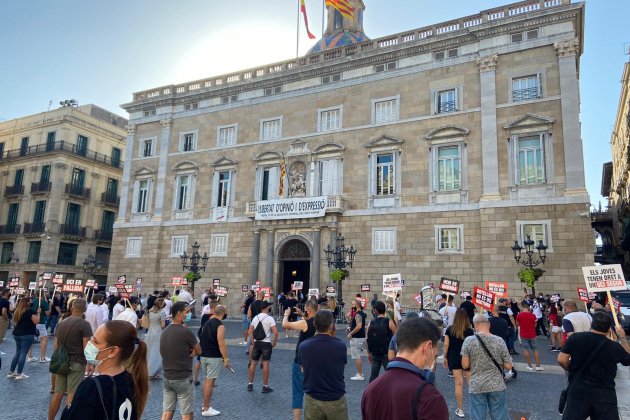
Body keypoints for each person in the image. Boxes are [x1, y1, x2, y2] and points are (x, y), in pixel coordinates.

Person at [361, 317, 448, 420]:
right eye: (434, 356)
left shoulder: (370, 390)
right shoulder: (430, 397)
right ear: (427, 347)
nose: (433, 360)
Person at [60, 320, 149, 420]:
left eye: (96, 341)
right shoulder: (132, 381)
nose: (90, 343)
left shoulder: (91, 388)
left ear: (113, 351)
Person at [558, 311, 630, 419]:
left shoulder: (575, 338)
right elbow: (628, 360)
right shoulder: (614, 346)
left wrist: (572, 369)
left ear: (592, 324)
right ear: (609, 328)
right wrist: (623, 337)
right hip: (604, 394)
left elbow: (561, 359)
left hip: (579, 391)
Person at [297, 309, 348, 420]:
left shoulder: (304, 346)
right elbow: (341, 367)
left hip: (312, 400)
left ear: (315, 324)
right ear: (331, 325)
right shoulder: (341, 346)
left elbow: (302, 369)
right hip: (335, 398)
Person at [48, 298, 93, 420]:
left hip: (62, 363)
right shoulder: (85, 324)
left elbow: (56, 346)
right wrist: (90, 363)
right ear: (84, 309)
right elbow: (86, 347)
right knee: (72, 395)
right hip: (77, 362)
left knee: (57, 394)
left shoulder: (61, 323)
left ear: (72, 308)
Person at [461, 314, 513, 420]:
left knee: (478, 417)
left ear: (475, 325)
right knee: (500, 416)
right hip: (496, 384)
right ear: (489, 325)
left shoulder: (469, 341)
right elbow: (509, 366)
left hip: (477, 384)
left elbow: (465, 365)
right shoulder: (499, 340)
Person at [160, 301, 201, 420]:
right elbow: (199, 350)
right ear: (179, 313)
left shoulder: (165, 331)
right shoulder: (185, 332)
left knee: (167, 412)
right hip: (183, 378)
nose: (188, 314)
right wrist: (192, 353)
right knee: (187, 414)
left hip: (167, 377)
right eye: (187, 312)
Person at [282, 300, 317, 420]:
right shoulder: (321, 323)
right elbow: (309, 320)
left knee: (298, 392)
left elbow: (285, 325)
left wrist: (286, 314)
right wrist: (303, 313)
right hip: (315, 362)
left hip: (301, 361)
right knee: (313, 392)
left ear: (309, 310)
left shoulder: (304, 323)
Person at [199, 305, 231, 417]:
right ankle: (206, 408)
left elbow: (202, 339)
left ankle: (205, 405)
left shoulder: (207, 323)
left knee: (206, 380)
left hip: (204, 355)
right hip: (214, 356)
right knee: (210, 383)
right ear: (222, 314)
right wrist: (226, 359)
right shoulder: (220, 326)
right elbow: (221, 343)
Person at [443, 309, 474, 418]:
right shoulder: (470, 331)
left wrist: (445, 357)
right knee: (471, 384)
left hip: (454, 356)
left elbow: (446, 345)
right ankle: (475, 408)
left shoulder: (450, 329)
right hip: (467, 357)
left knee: (458, 383)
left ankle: (460, 410)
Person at [247, 300, 278, 393]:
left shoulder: (255, 317)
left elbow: (250, 331)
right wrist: (274, 342)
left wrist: (253, 341)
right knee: (265, 364)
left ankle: (250, 384)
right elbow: (276, 332)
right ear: (267, 307)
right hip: (266, 343)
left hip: (257, 343)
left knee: (253, 363)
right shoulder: (270, 318)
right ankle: (265, 386)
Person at [8, 296, 39, 380]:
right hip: (27, 334)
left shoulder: (18, 311)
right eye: (30, 301)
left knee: (18, 353)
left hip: (17, 334)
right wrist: (38, 313)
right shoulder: (31, 311)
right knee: (23, 353)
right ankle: (19, 373)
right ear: (27, 303)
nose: (32, 302)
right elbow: (36, 321)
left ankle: (11, 372)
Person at [366, 300, 395, 382]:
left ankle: (371, 391)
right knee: (390, 375)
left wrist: (368, 353)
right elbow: (397, 336)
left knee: (373, 375)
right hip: (387, 352)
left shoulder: (371, 323)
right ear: (385, 309)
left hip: (375, 352)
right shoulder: (389, 322)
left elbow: (368, 339)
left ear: (375, 311)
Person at [516, 302, 543, 371]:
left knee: (525, 349)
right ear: (528, 307)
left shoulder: (519, 315)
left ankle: (529, 366)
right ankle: (538, 366)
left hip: (523, 334)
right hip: (532, 334)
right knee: (535, 350)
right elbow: (535, 325)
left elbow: (517, 324)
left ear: (522, 307)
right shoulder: (533, 315)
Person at [146, 298, 166, 379]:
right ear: (160, 304)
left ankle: (149, 370)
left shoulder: (150, 311)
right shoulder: (162, 312)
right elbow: (163, 325)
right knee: (157, 352)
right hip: (157, 332)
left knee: (149, 351)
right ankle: (152, 372)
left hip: (150, 332)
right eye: (163, 303)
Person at [27, 293, 51, 362]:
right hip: (40, 322)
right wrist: (50, 305)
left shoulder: (32, 301)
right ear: (43, 294)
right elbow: (48, 313)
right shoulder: (44, 302)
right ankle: (42, 357)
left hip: (31, 321)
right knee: (44, 338)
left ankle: (30, 356)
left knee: (30, 339)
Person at [347, 298, 367, 381]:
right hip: (359, 337)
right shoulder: (359, 314)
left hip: (357, 338)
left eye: (352, 304)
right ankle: (359, 373)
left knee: (356, 356)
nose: (351, 306)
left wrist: (351, 333)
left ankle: (360, 374)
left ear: (357, 305)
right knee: (356, 355)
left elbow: (358, 326)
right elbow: (354, 323)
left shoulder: (358, 314)